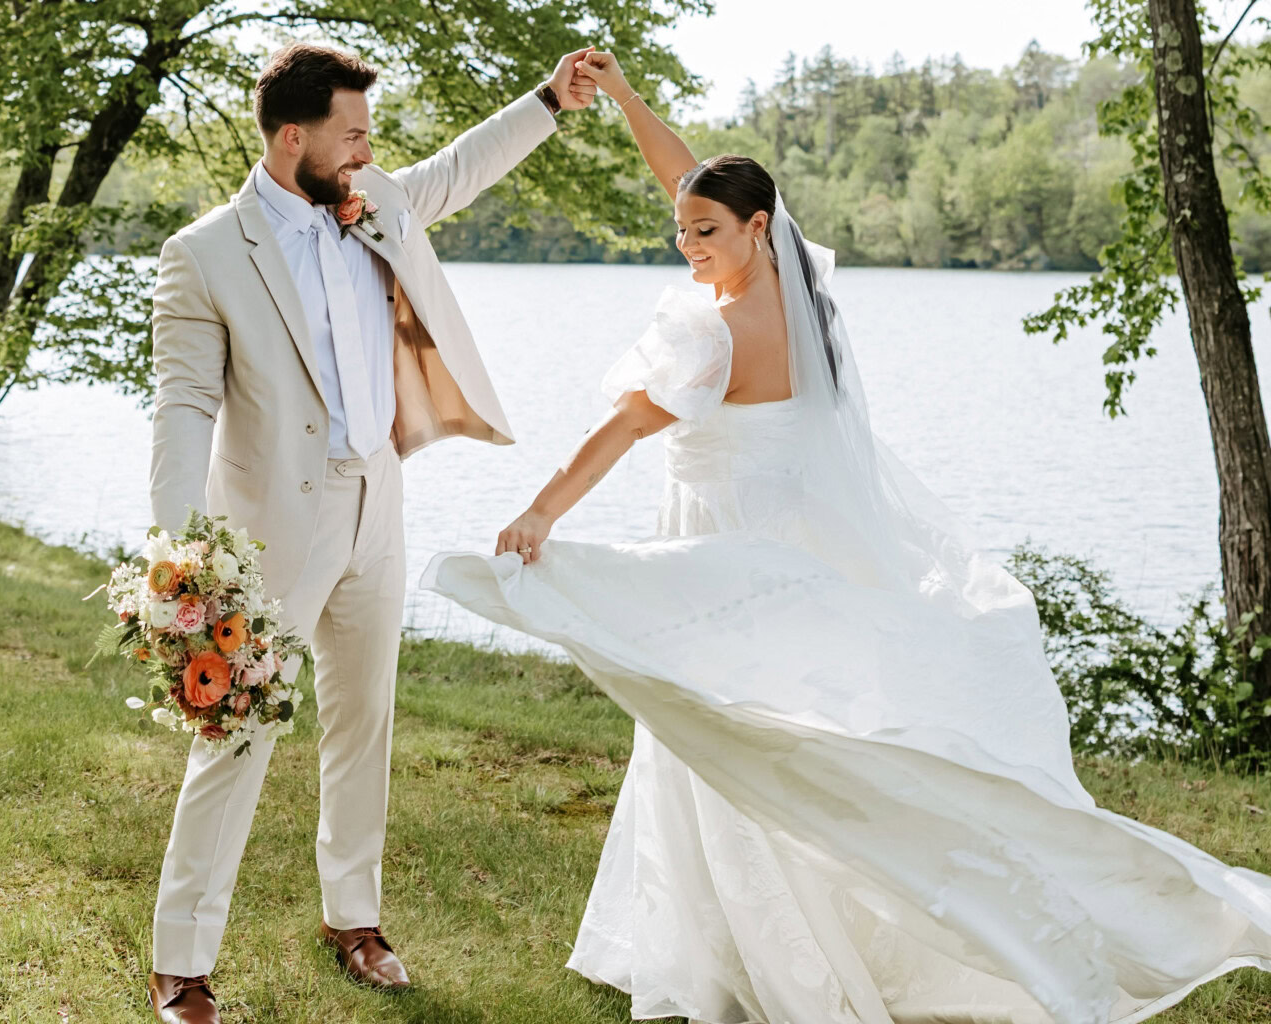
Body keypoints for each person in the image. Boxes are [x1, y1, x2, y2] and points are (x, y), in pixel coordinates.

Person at [422, 50, 1271, 1024]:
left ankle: (752, 959)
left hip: (725, 549)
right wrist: (623, 99)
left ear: (752, 228)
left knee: (731, 734)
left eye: (704, 234)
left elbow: (615, 429)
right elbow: (698, 185)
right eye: (681, 232)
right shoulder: (799, 291)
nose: (687, 246)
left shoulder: (707, 334)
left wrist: (539, 513)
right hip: (797, 551)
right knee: (797, 729)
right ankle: (749, 940)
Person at [144, 42, 597, 1023]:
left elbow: (456, 172)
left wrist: (550, 101)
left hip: (375, 508)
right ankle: (180, 963)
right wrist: (179, 554)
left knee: (365, 724)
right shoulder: (203, 255)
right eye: (352, 134)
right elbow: (180, 406)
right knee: (233, 739)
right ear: (293, 136)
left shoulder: (374, 198)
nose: (367, 150)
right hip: (266, 538)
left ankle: (354, 919)